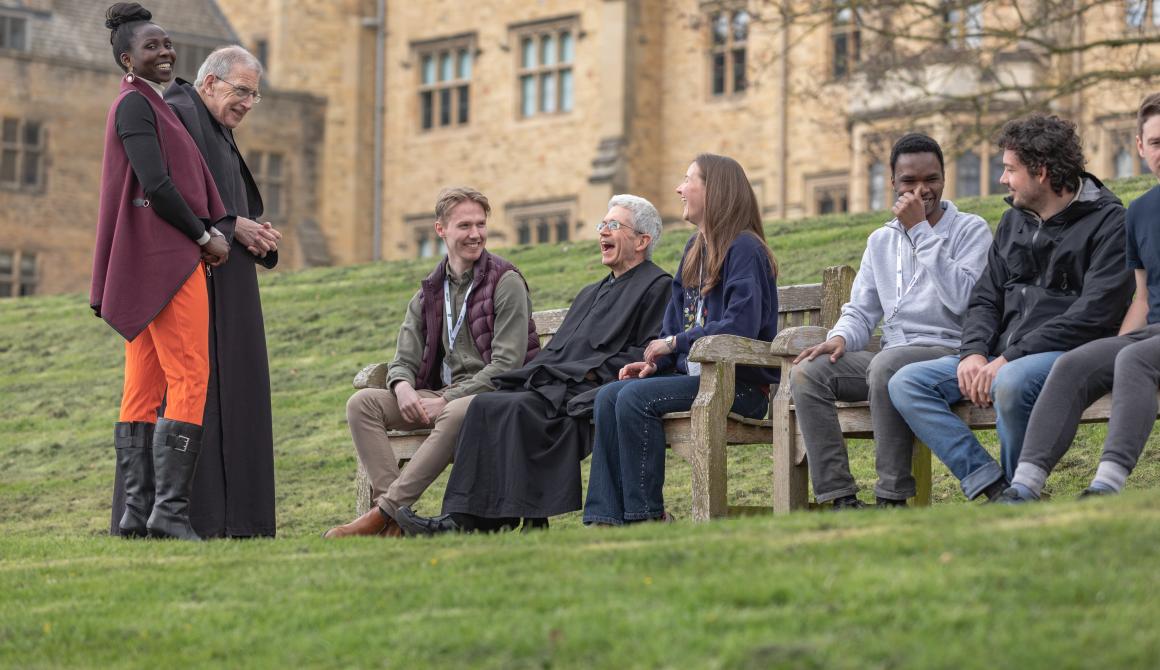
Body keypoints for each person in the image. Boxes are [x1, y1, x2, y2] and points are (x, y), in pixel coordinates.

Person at [887, 114, 1134, 502]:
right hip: (1001, 356)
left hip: (1068, 356)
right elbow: (986, 297)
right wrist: (973, 352)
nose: (1002, 179)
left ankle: (1022, 492)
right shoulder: (1012, 222)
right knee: (906, 382)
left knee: (1012, 381)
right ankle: (997, 487)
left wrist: (1008, 359)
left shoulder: (1110, 222)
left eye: (1009, 169)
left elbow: (1094, 314)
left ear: (1041, 171)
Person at [395, 195, 673, 535]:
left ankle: (497, 520)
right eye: (602, 225)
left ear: (643, 241)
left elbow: (644, 352)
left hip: (590, 388)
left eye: (613, 226)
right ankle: (466, 518)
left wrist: (580, 373)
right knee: (488, 404)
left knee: (514, 409)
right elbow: (558, 350)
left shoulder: (659, 286)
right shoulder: (591, 292)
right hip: (555, 383)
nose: (603, 232)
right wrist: (541, 374)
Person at [791, 133, 992, 510]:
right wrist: (840, 338)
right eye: (909, 182)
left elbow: (964, 300)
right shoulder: (880, 241)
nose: (921, 190)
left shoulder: (971, 230)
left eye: (930, 179)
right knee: (808, 372)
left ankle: (891, 497)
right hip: (892, 353)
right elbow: (861, 310)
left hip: (948, 353)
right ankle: (839, 498)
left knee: (885, 365)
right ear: (893, 184)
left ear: (944, 177)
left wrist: (920, 231)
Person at [322, 187, 537, 538]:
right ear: (441, 230)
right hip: (441, 394)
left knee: (453, 411)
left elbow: (508, 366)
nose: (475, 234)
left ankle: (382, 515)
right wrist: (403, 387)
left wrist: (446, 400)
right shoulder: (430, 291)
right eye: (464, 225)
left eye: (481, 225)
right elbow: (403, 358)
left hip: (497, 397)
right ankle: (396, 522)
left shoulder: (506, 281)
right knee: (362, 403)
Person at [92, 3, 231, 541]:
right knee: (190, 375)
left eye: (168, 43)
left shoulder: (147, 103)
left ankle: (136, 515)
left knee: (143, 385)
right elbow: (156, 184)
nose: (165, 52)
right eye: (152, 46)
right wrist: (203, 235)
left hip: (145, 267)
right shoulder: (135, 105)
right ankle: (170, 516)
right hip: (168, 263)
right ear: (127, 57)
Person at [581, 154, 779, 526]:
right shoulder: (694, 250)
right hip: (696, 380)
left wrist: (673, 343)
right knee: (609, 395)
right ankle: (605, 517)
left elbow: (740, 326)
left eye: (688, 180)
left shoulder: (745, 249)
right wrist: (655, 363)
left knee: (637, 399)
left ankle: (646, 517)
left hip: (739, 386)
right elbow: (674, 325)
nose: (679, 189)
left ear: (714, 190)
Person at [999, 94, 1160, 502]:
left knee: (1133, 358)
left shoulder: (1111, 216)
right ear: (1139, 147)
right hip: (1152, 336)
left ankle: (1107, 485)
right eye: (1156, 143)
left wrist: (1125, 350)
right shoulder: (1140, 212)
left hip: (1149, 352)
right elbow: (1141, 299)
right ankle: (1023, 487)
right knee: (1074, 363)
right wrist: (1114, 345)